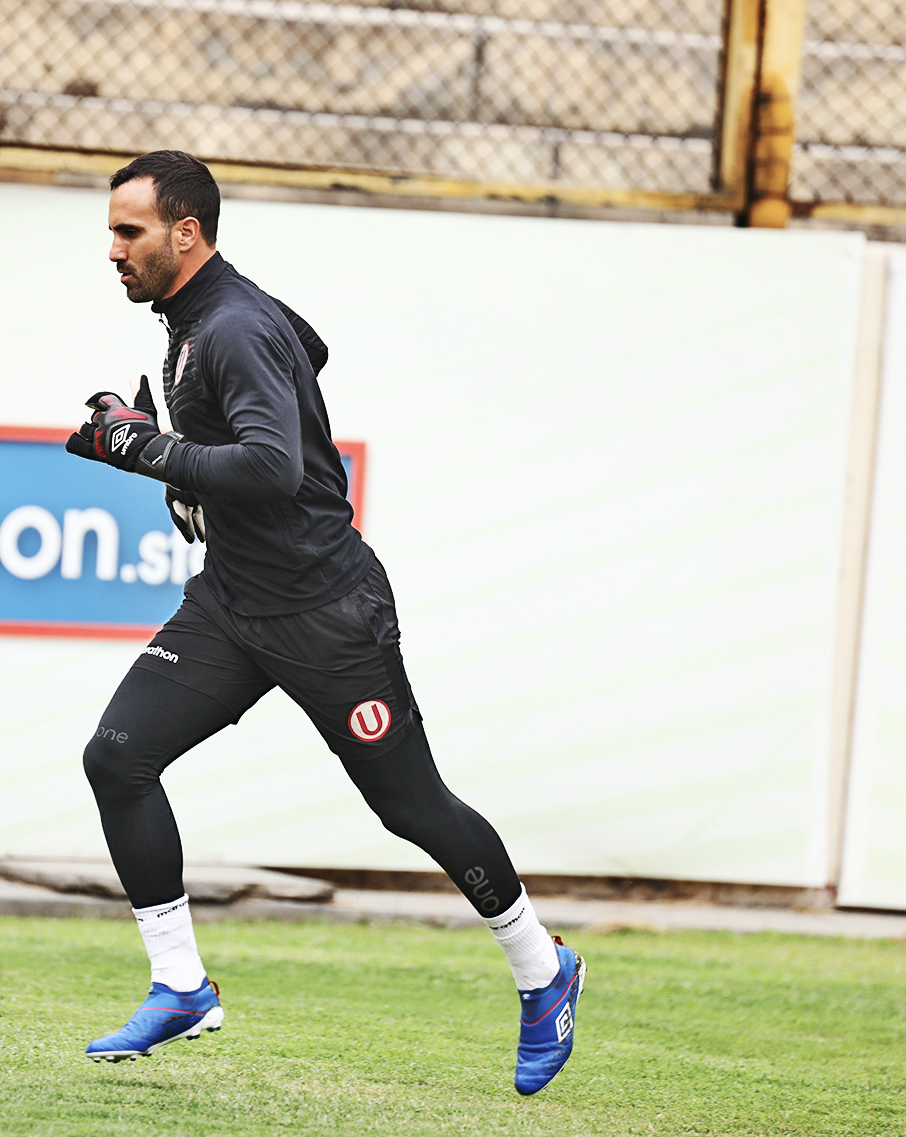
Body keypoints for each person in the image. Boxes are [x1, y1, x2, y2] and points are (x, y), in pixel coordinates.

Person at [64, 150, 584, 1095]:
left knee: (411, 809)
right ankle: (181, 983)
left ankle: (543, 971)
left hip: (325, 611)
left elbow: (269, 467)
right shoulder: (198, 320)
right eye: (112, 231)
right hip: (232, 603)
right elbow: (310, 347)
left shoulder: (227, 325)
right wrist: (165, 440)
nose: (113, 250)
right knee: (117, 756)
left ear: (186, 233)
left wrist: (140, 446)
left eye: (128, 231)